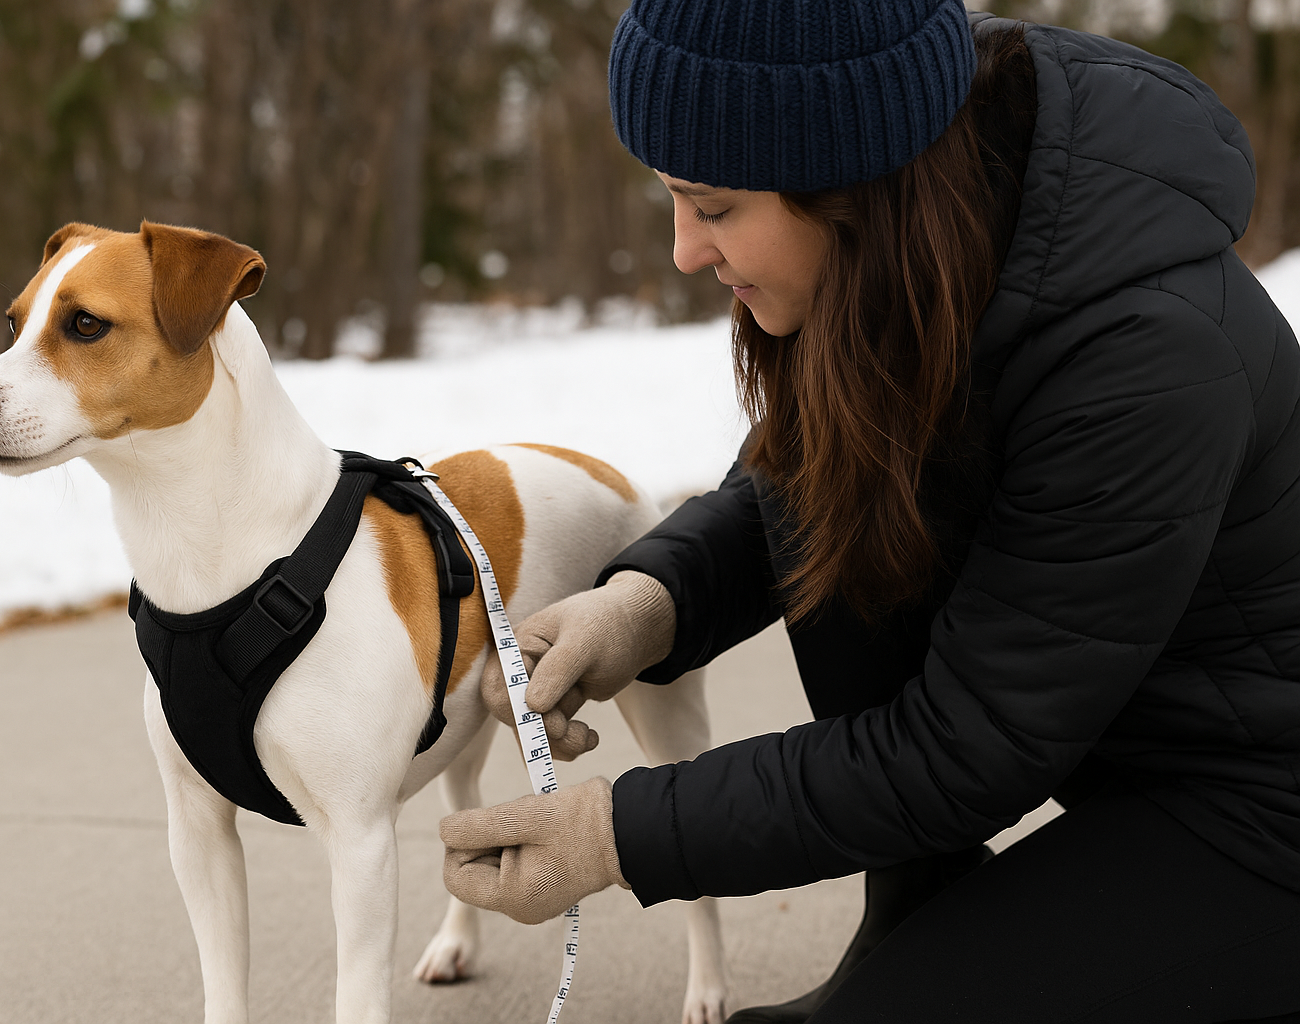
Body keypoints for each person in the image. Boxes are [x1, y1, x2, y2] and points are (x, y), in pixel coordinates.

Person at [437, 2, 1300, 1022]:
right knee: (842, 486)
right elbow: (790, 486)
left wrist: (614, 835)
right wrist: (647, 601)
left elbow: (965, 746)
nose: (682, 251)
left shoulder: (1142, 358)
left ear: (847, 182)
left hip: (1261, 815)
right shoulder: (922, 225)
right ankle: (916, 901)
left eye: (711, 207)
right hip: (1120, 752)